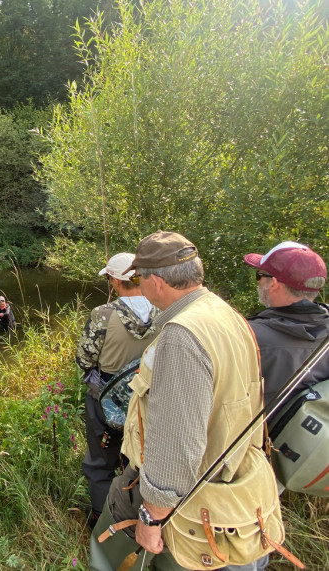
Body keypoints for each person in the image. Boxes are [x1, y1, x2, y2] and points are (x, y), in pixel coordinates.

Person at [90, 231, 265, 571]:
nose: (138, 284)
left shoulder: (182, 336)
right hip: (225, 481)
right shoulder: (224, 312)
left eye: (140, 277)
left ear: (155, 281)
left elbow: (177, 437)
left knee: (114, 560)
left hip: (187, 501)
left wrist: (152, 515)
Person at [76, 252, 157, 528]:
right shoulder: (163, 311)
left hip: (106, 401)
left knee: (100, 463)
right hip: (148, 399)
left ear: (115, 281)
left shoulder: (102, 315)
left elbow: (84, 359)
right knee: (137, 460)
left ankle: (102, 521)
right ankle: (137, 516)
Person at [243, 241, 328, 406]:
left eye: (259, 275)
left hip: (264, 432)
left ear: (273, 283)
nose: (258, 282)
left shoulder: (248, 336)